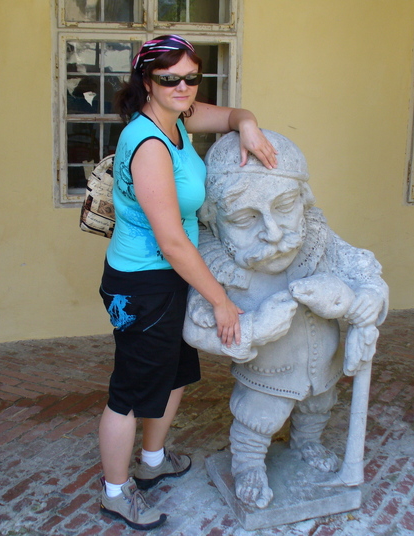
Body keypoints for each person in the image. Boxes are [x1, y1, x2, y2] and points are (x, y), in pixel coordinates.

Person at [97, 35, 277, 530]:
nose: (182, 86)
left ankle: (152, 463)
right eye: (169, 78)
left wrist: (248, 125)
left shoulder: (178, 117)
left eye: (191, 77)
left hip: (171, 278)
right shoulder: (149, 144)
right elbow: (173, 242)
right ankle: (116, 492)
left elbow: (233, 115)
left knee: (174, 374)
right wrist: (220, 300)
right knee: (130, 392)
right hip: (143, 283)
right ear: (147, 81)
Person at [182, 130, 389, 509]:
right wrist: (254, 329)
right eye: (245, 218)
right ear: (214, 220)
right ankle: (248, 465)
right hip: (267, 374)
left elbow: (366, 275)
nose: (273, 233)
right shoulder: (215, 266)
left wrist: (361, 301)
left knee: (319, 406)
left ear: (303, 199)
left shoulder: (318, 242)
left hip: (323, 365)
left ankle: (306, 442)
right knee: (258, 419)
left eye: (284, 206)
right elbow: (196, 327)